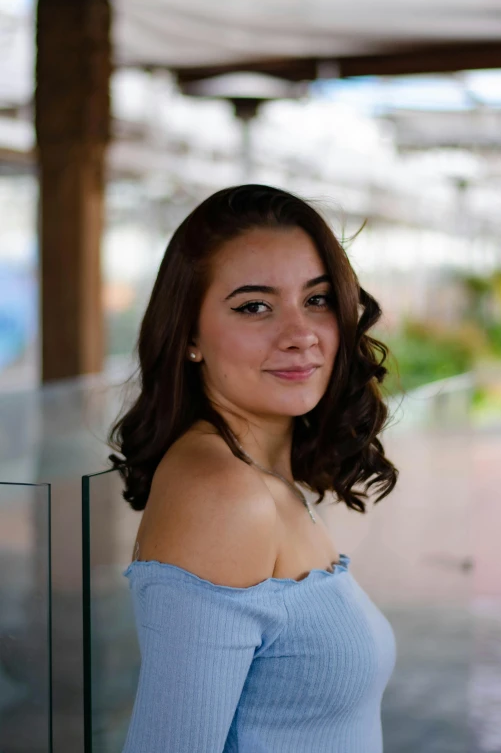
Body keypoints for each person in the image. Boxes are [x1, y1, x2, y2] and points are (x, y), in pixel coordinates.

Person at [108, 184, 399, 753]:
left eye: (316, 300)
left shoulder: (260, 478)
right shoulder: (222, 495)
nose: (301, 335)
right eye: (254, 306)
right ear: (189, 335)